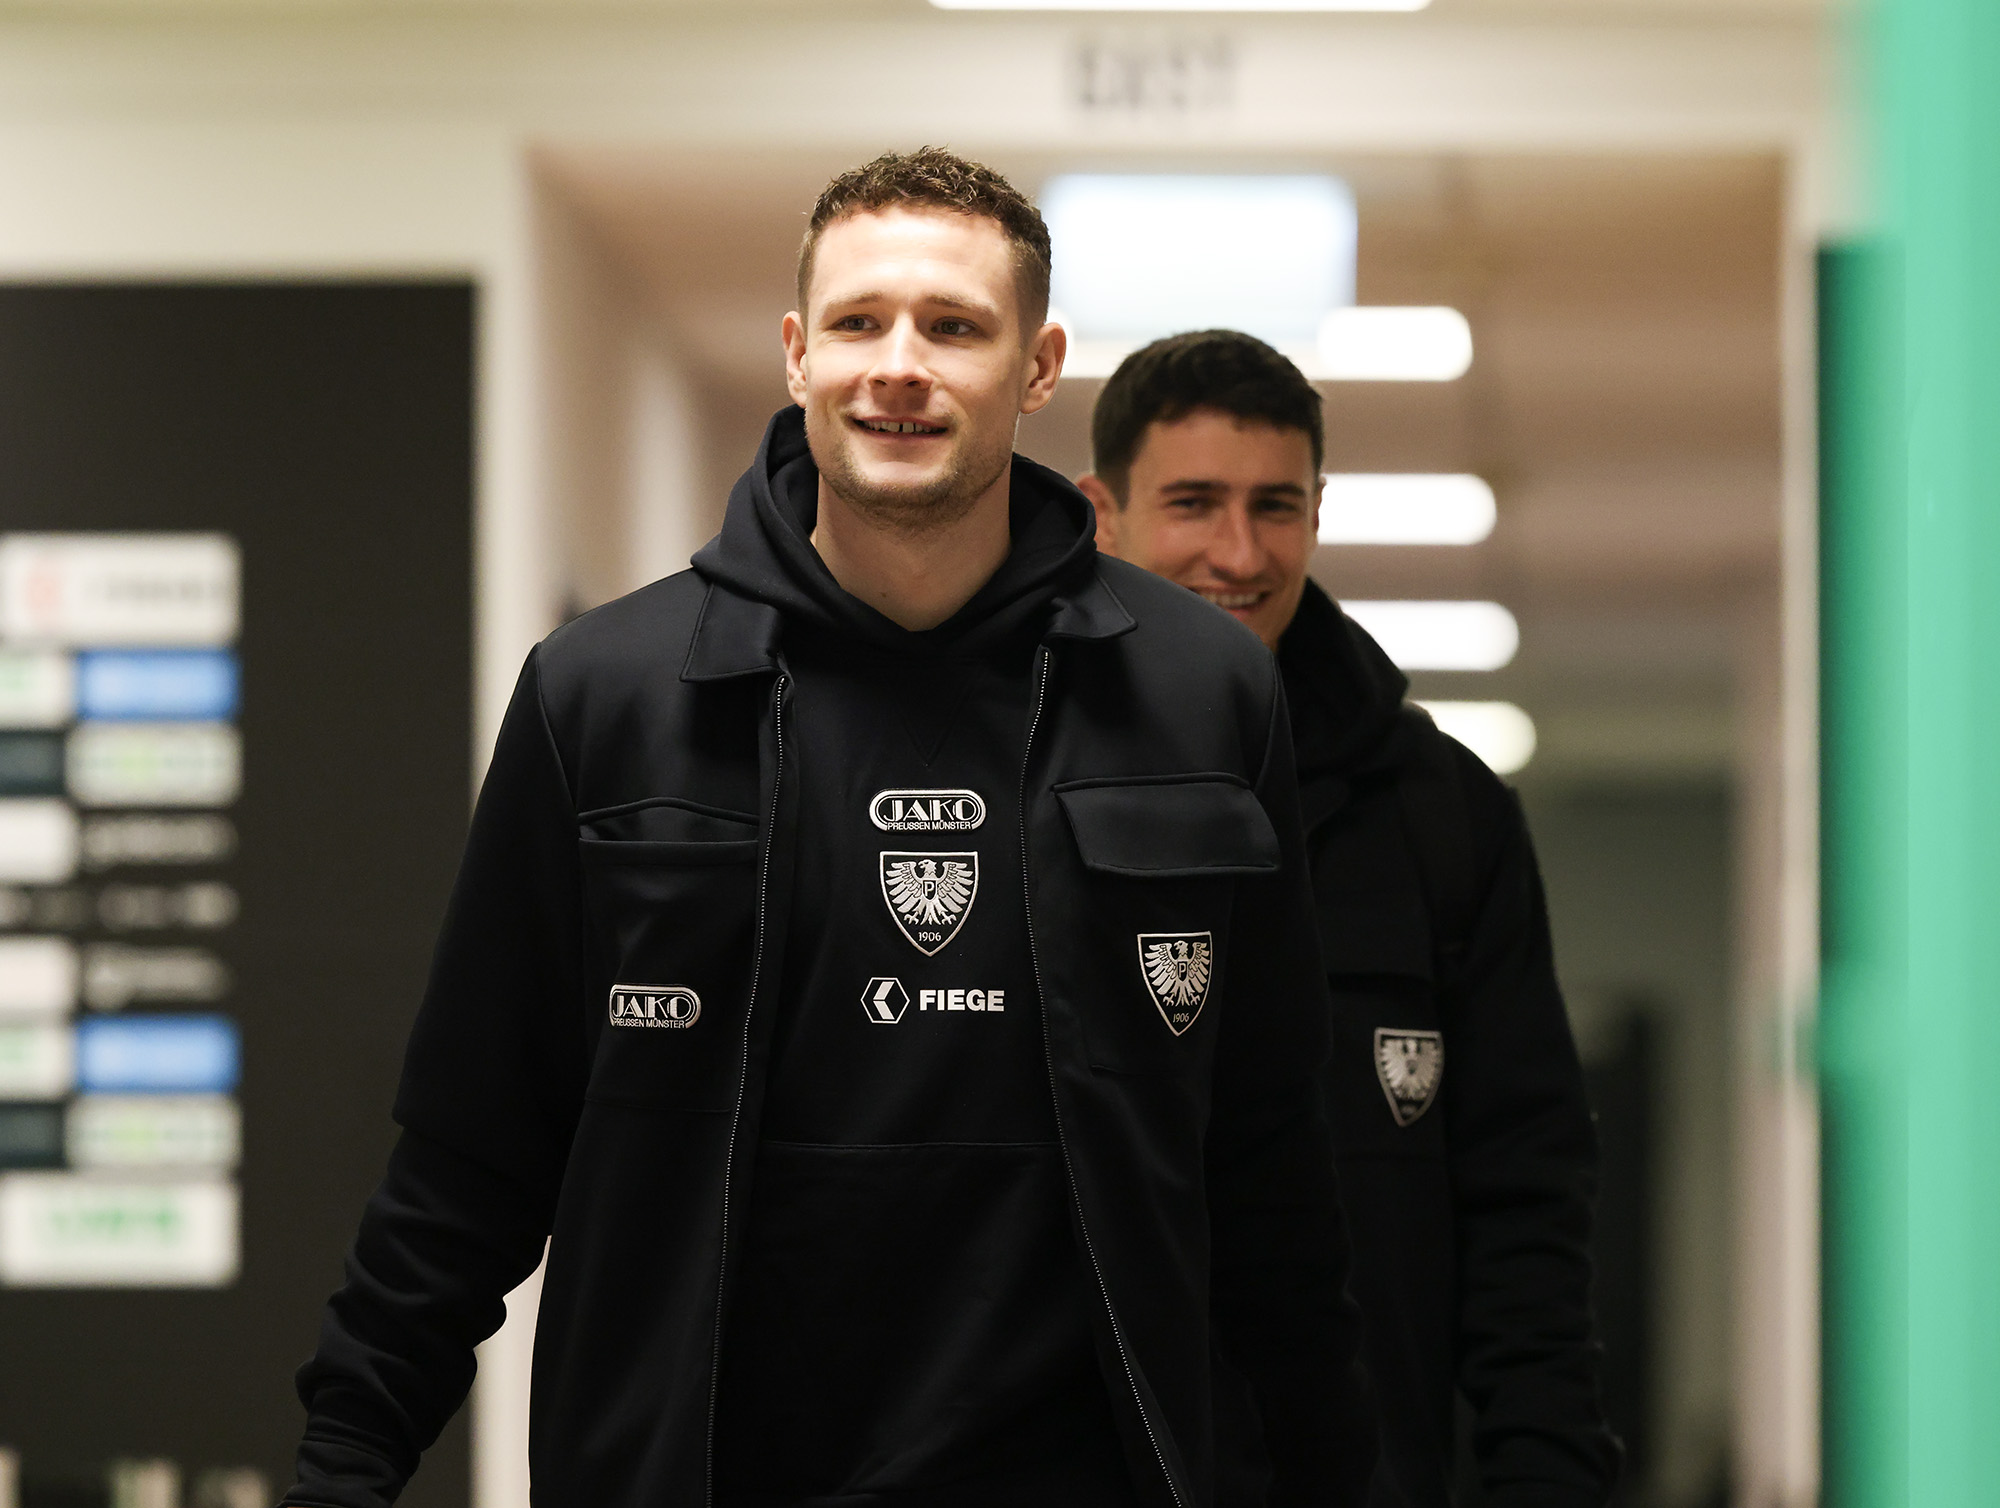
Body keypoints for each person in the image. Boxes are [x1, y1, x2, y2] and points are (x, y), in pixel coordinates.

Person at [281, 154, 1375, 1508]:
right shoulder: (609, 696)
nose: (899, 366)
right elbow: (470, 1150)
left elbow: (1271, 1172)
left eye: (953, 326)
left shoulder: (1198, 695)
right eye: (860, 322)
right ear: (798, 353)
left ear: (1036, 368)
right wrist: (344, 1466)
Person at [1082, 330, 1622, 1508]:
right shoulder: (1015, 785)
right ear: (1101, 516)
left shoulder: (1440, 816)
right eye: (1192, 502)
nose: (1238, 551)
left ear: (1316, 512)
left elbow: (1525, 1204)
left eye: (1274, 505)